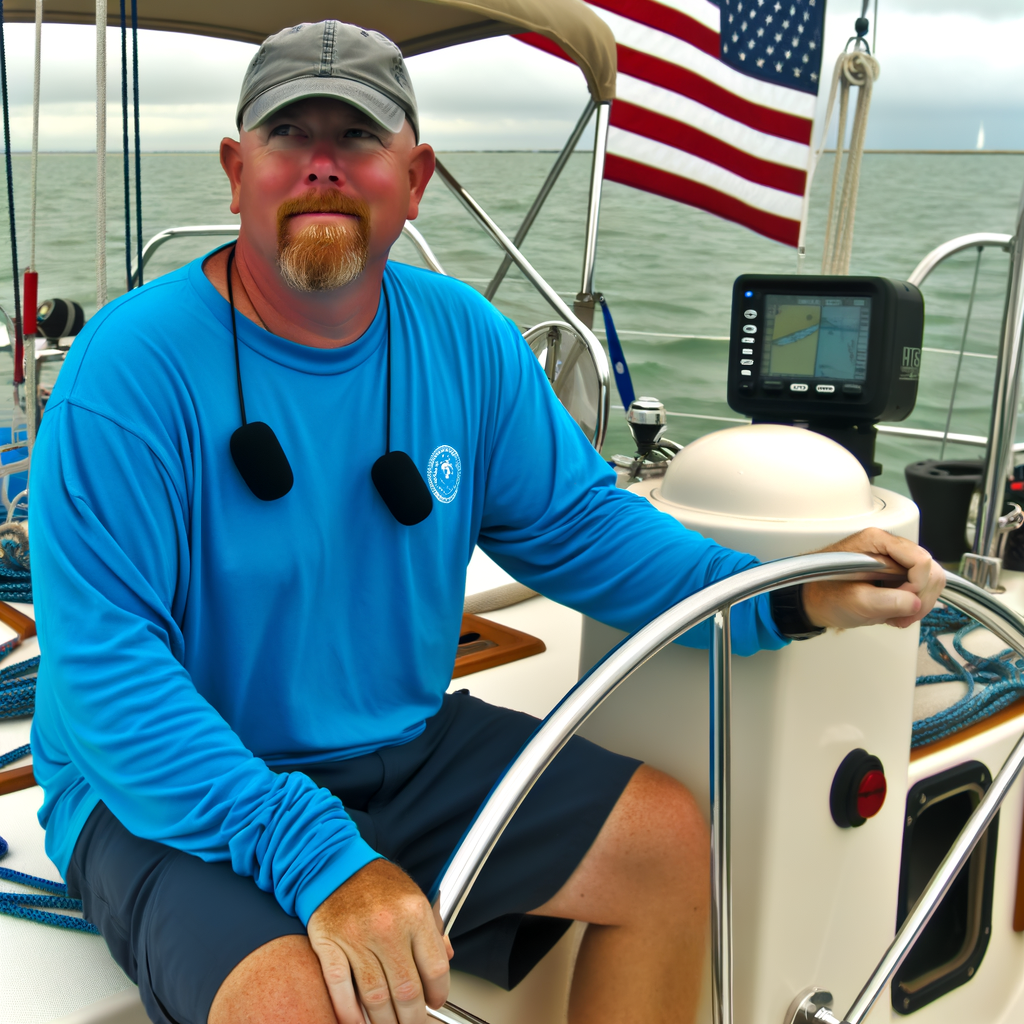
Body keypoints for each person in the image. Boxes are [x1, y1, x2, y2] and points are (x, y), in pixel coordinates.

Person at [29, 21, 944, 1024]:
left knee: (667, 843)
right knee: (298, 1001)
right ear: (236, 170)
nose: (323, 166)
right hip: (168, 791)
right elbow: (111, 677)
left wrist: (792, 591)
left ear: (414, 178)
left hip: (404, 751)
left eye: (359, 138)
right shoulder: (125, 373)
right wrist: (320, 855)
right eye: (291, 135)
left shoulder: (464, 340)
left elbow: (585, 530)